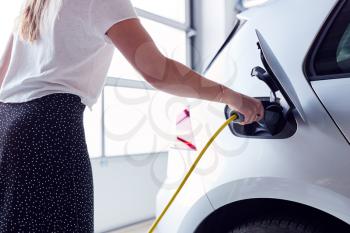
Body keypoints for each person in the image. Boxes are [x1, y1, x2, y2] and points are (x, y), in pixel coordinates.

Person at [0, 0, 264, 232]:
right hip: (47, 130)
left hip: (7, 125)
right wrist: (233, 97)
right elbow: (158, 71)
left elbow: (2, 75)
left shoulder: (34, 3)